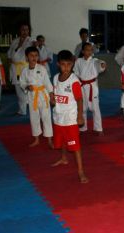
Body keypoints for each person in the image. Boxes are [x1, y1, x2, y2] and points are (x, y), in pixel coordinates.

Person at [50, 50, 89, 184]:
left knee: (75, 146)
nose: (66, 67)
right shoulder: (55, 78)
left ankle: (81, 171)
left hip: (71, 118)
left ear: (72, 64)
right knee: (61, 141)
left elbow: (79, 100)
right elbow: (54, 92)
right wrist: (52, 99)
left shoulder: (74, 81)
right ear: (58, 64)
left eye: (68, 64)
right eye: (63, 64)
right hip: (58, 116)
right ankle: (64, 158)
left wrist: (80, 116)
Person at [19, 46, 53, 148]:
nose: (34, 58)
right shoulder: (24, 71)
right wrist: (26, 86)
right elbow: (22, 83)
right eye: (31, 56)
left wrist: (51, 94)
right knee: (34, 118)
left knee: (46, 117)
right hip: (32, 96)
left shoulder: (42, 68)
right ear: (27, 57)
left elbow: (47, 82)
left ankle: (49, 139)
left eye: (36, 55)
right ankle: (36, 139)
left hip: (43, 95)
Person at [74, 42, 106, 134]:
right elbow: (76, 73)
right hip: (82, 86)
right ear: (83, 51)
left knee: (95, 108)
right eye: (87, 50)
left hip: (92, 87)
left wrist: (102, 64)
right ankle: (82, 127)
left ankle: (98, 128)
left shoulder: (94, 60)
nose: (89, 52)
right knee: (82, 108)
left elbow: (100, 63)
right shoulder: (78, 61)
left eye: (91, 50)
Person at [7, 23, 35, 115]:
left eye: (26, 30)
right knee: (19, 89)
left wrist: (35, 45)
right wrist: (9, 59)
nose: (25, 32)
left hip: (25, 68)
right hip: (15, 68)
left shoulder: (31, 41)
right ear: (19, 30)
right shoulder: (15, 41)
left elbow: (34, 51)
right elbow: (10, 53)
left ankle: (33, 108)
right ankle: (22, 110)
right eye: (23, 29)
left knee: (29, 89)